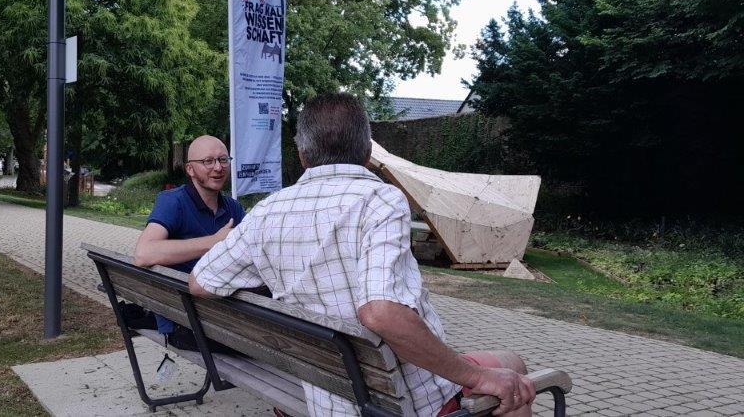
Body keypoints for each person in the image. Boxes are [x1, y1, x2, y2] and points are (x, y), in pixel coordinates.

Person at [188, 93, 535, 417]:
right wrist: (476, 377)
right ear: (368, 151)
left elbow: (201, 282)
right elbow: (381, 312)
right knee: (513, 368)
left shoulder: (266, 211)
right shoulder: (380, 200)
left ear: (302, 155)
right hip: (391, 400)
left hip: (315, 393)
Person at [133, 135, 246, 349]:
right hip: (185, 323)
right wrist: (214, 241)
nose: (218, 167)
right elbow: (143, 253)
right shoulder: (173, 201)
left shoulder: (234, 209)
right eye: (208, 161)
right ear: (190, 170)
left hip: (221, 314)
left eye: (223, 160)